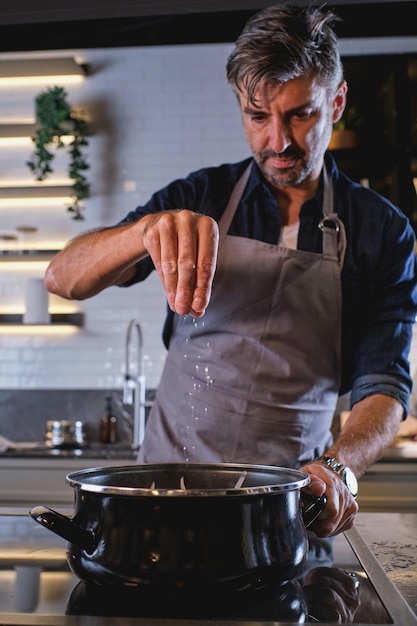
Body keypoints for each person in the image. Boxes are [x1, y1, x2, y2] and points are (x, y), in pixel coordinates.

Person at [44, 3, 417, 539]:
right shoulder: (201, 197)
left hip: (281, 510)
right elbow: (64, 279)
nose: (278, 141)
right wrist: (142, 231)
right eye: (258, 116)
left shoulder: (381, 231)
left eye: (300, 114)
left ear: (335, 102)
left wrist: (340, 467)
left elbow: (384, 385)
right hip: (162, 495)